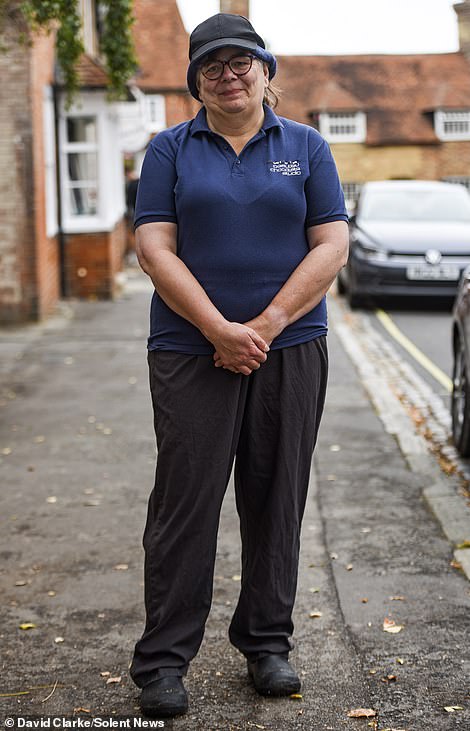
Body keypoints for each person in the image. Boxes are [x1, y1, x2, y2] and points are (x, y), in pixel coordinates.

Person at [130, 12, 349, 718]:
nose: (229, 75)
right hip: (190, 350)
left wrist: (265, 323)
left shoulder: (309, 148)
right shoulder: (169, 149)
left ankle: (267, 644)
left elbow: (331, 245)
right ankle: (163, 661)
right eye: (212, 66)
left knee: (276, 495)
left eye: (241, 63)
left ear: (265, 70)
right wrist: (219, 328)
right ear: (196, 81)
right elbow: (155, 248)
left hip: (289, 348)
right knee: (184, 503)